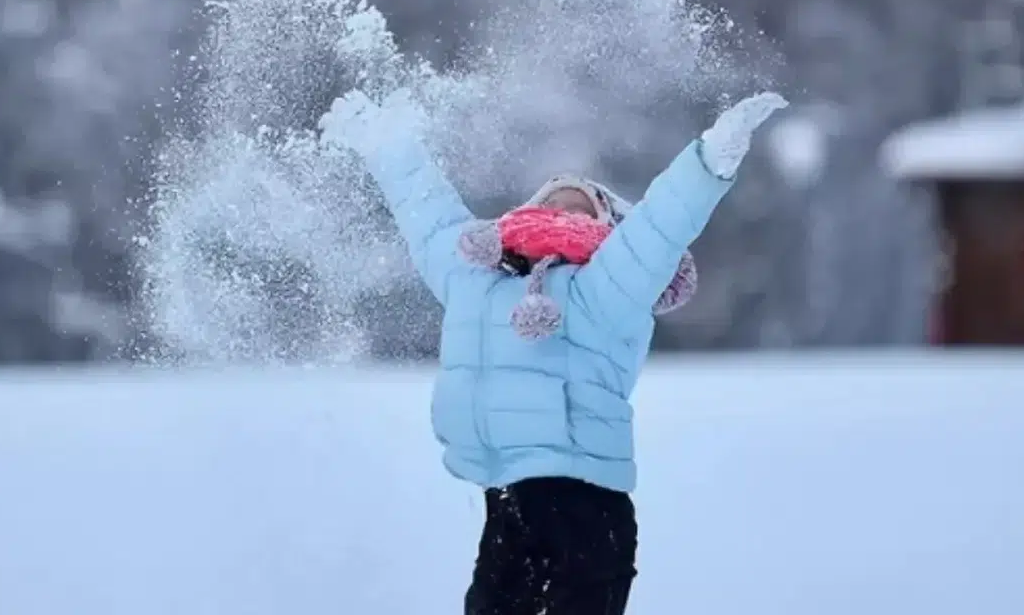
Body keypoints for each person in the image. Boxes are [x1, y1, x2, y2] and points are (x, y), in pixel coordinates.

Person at [319, 89, 787, 615]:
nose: (561, 208)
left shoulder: (607, 284)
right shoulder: (476, 278)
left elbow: (659, 227)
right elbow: (428, 215)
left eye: (581, 206)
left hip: (586, 506)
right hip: (506, 501)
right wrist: (387, 146)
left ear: (609, 230)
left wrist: (708, 161)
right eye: (550, 201)